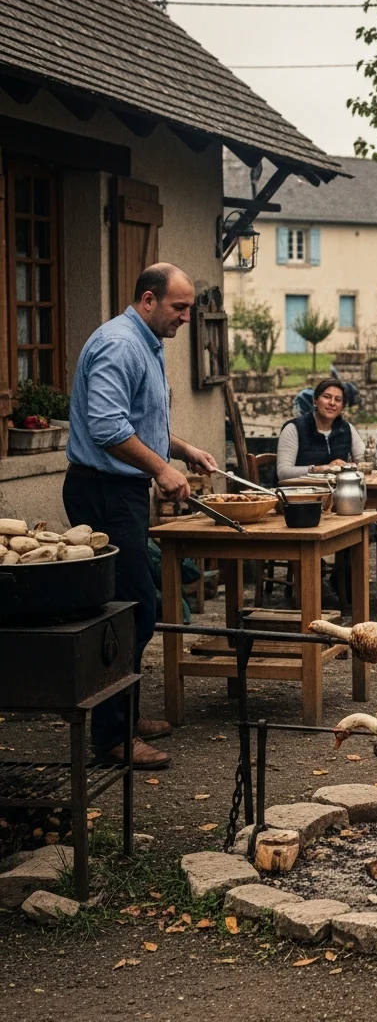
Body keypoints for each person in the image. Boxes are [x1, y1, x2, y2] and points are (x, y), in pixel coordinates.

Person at [64, 263, 218, 769]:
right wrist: (160, 470)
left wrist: (183, 449)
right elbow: (107, 427)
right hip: (103, 493)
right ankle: (112, 739)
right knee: (128, 612)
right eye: (179, 307)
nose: (187, 317)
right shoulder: (120, 344)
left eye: (190, 307)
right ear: (148, 300)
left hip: (121, 490)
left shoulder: (146, 344)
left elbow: (138, 421)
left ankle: (123, 714)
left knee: (134, 608)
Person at [277, 378, 365, 482]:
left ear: (342, 406)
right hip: (301, 493)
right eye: (327, 397)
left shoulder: (346, 428)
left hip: (338, 492)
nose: (332, 403)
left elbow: (364, 460)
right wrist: (320, 469)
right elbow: (283, 472)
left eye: (338, 400)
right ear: (315, 400)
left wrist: (352, 466)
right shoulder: (294, 428)